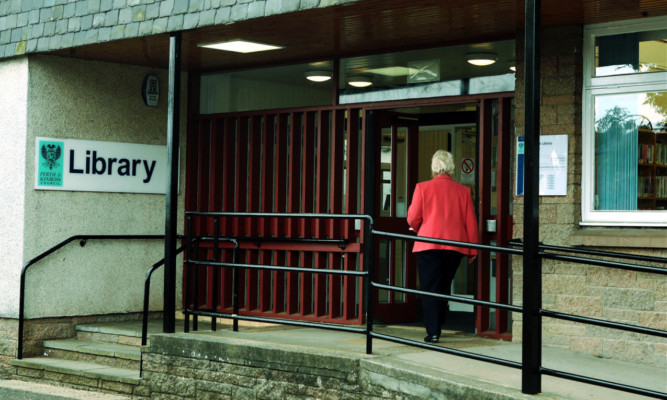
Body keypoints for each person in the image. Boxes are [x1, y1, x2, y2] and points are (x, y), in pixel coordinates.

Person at [407, 150, 479, 343]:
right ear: (451, 167)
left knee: (429, 288)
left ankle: (434, 331)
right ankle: (440, 319)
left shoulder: (422, 188)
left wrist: (419, 227)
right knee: (444, 285)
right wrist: (473, 249)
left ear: (433, 166)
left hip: (428, 244)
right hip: (454, 246)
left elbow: (413, 217)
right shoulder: (463, 191)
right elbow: (470, 222)